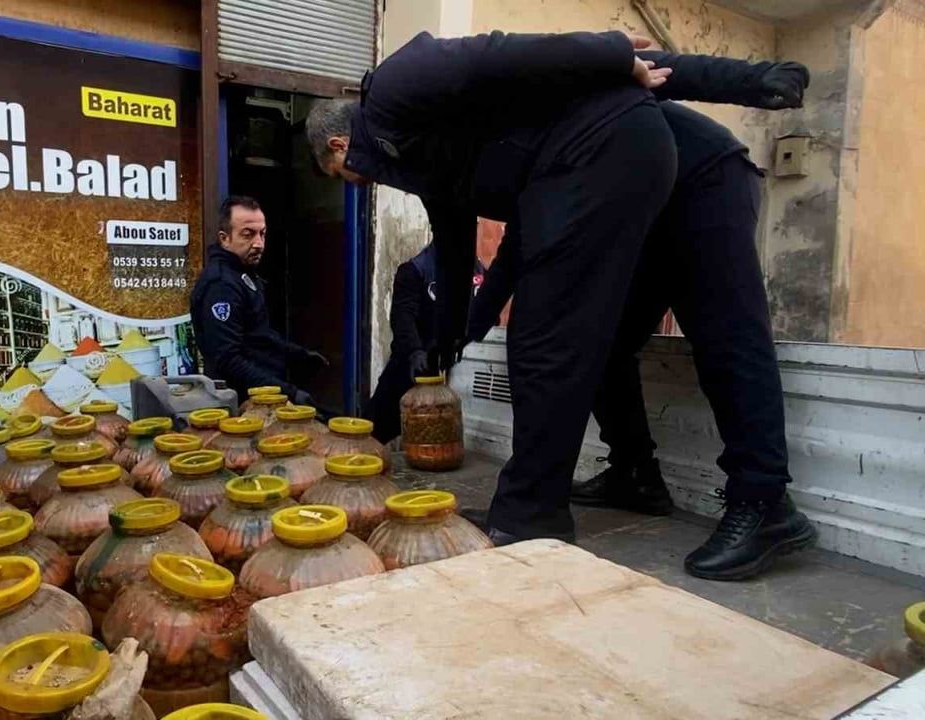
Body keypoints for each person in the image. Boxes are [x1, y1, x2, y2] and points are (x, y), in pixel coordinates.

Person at [307, 29, 681, 548]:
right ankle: (548, 504)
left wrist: (616, 53)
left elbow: (505, 52)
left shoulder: (396, 89)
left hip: (600, 160)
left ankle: (531, 517)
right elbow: (456, 239)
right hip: (579, 172)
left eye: (344, 175)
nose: (358, 184)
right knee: (545, 341)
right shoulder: (420, 155)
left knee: (547, 344)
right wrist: (453, 333)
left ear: (339, 145)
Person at [464, 53, 815, 580]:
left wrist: (756, 80)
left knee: (726, 338)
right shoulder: (518, 160)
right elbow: (515, 252)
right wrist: (464, 332)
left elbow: (657, 67)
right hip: (643, 207)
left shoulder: (536, 82)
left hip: (704, 178)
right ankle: (635, 474)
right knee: (598, 345)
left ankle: (765, 501)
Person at [191, 196, 327, 405]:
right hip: (238, 405)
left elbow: (258, 334)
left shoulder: (242, 274)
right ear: (224, 238)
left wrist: (298, 354)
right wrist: (289, 392)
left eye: (262, 234)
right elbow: (228, 359)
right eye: (248, 234)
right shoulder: (221, 285)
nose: (258, 244)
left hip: (258, 397)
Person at [368, 240, 485, 443]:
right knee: (375, 430)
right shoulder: (415, 270)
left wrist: (464, 340)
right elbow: (403, 316)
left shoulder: (477, 272)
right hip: (413, 366)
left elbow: (485, 311)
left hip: (454, 366)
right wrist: (415, 351)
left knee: (437, 437)